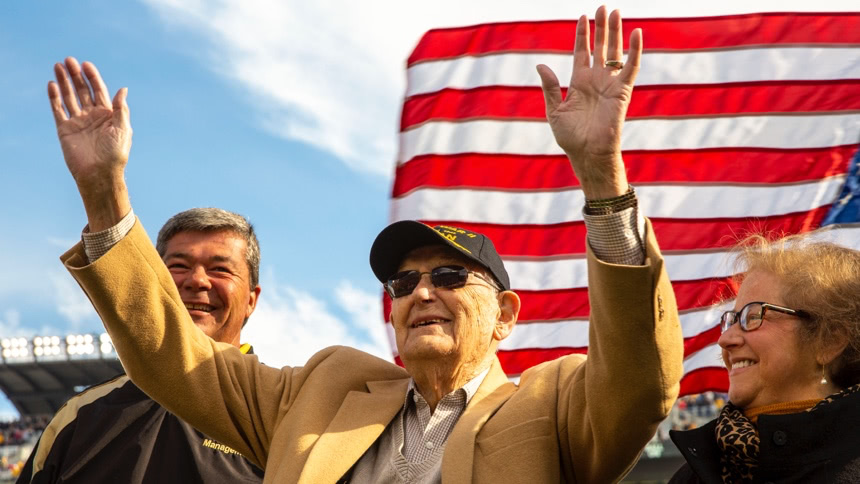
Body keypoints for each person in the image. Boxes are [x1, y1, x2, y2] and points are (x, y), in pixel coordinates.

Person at [54, 7, 683, 482]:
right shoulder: (326, 390)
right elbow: (174, 357)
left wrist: (602, 177)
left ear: (507, 315)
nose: (422, 292)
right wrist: (106, 194)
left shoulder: (556, 405)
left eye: (449, 276)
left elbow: (640, 378)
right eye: (404, 283)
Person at [16, 208, 265, 483]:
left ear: (252, 300)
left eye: (220, 269)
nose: (197, 280)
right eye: (179, 266)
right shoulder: (80, 417)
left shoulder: (278, 418)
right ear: (155, 285)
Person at [669, 234, 860, 482]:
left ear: (829, 341)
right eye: (732, 320)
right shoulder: (693, 475)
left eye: (753, 316)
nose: (725, 340)